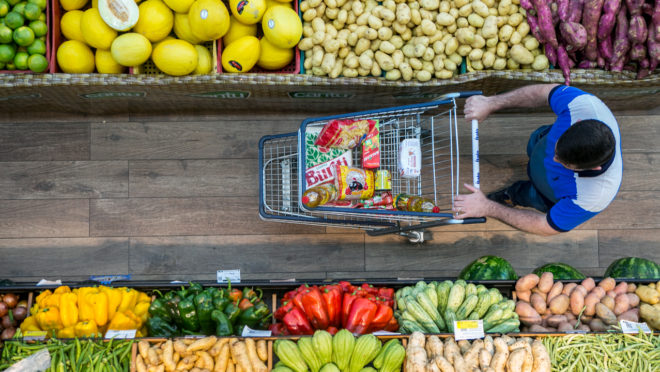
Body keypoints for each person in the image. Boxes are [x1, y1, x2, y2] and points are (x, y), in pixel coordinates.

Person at [454, 84, 622, 236]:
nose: (553, 159)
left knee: (528, 195)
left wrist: (487, 208)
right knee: (536, 141)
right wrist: (490, 103)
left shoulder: (594, 196)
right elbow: (541, 93)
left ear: (594, 169)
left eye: (565, 165)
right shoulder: (582, 105)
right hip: (540, 143)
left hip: (546, 193)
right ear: (577, 122)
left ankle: (512, 196)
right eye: (556, 150)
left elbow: (544, 226)